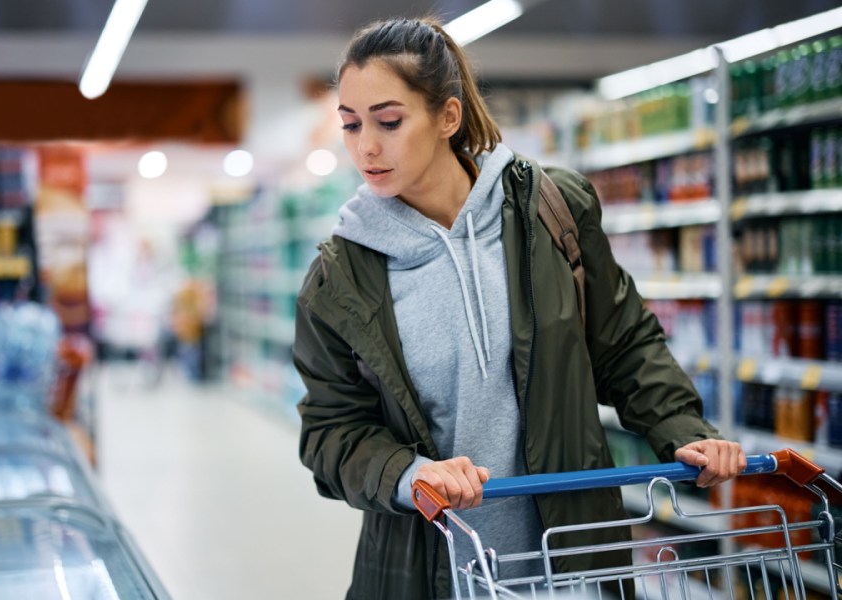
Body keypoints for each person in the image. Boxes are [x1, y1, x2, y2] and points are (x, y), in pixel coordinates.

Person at [293, 16, 745, 600]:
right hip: (428, 573)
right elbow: (331, 431)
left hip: (571, 565)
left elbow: (624, 341)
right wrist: (407, 475)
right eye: (351, 124)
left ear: (447, 118)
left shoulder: (550, 212)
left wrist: (681, 428)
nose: (366, 146)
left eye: (389, 120)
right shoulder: (339, 279)